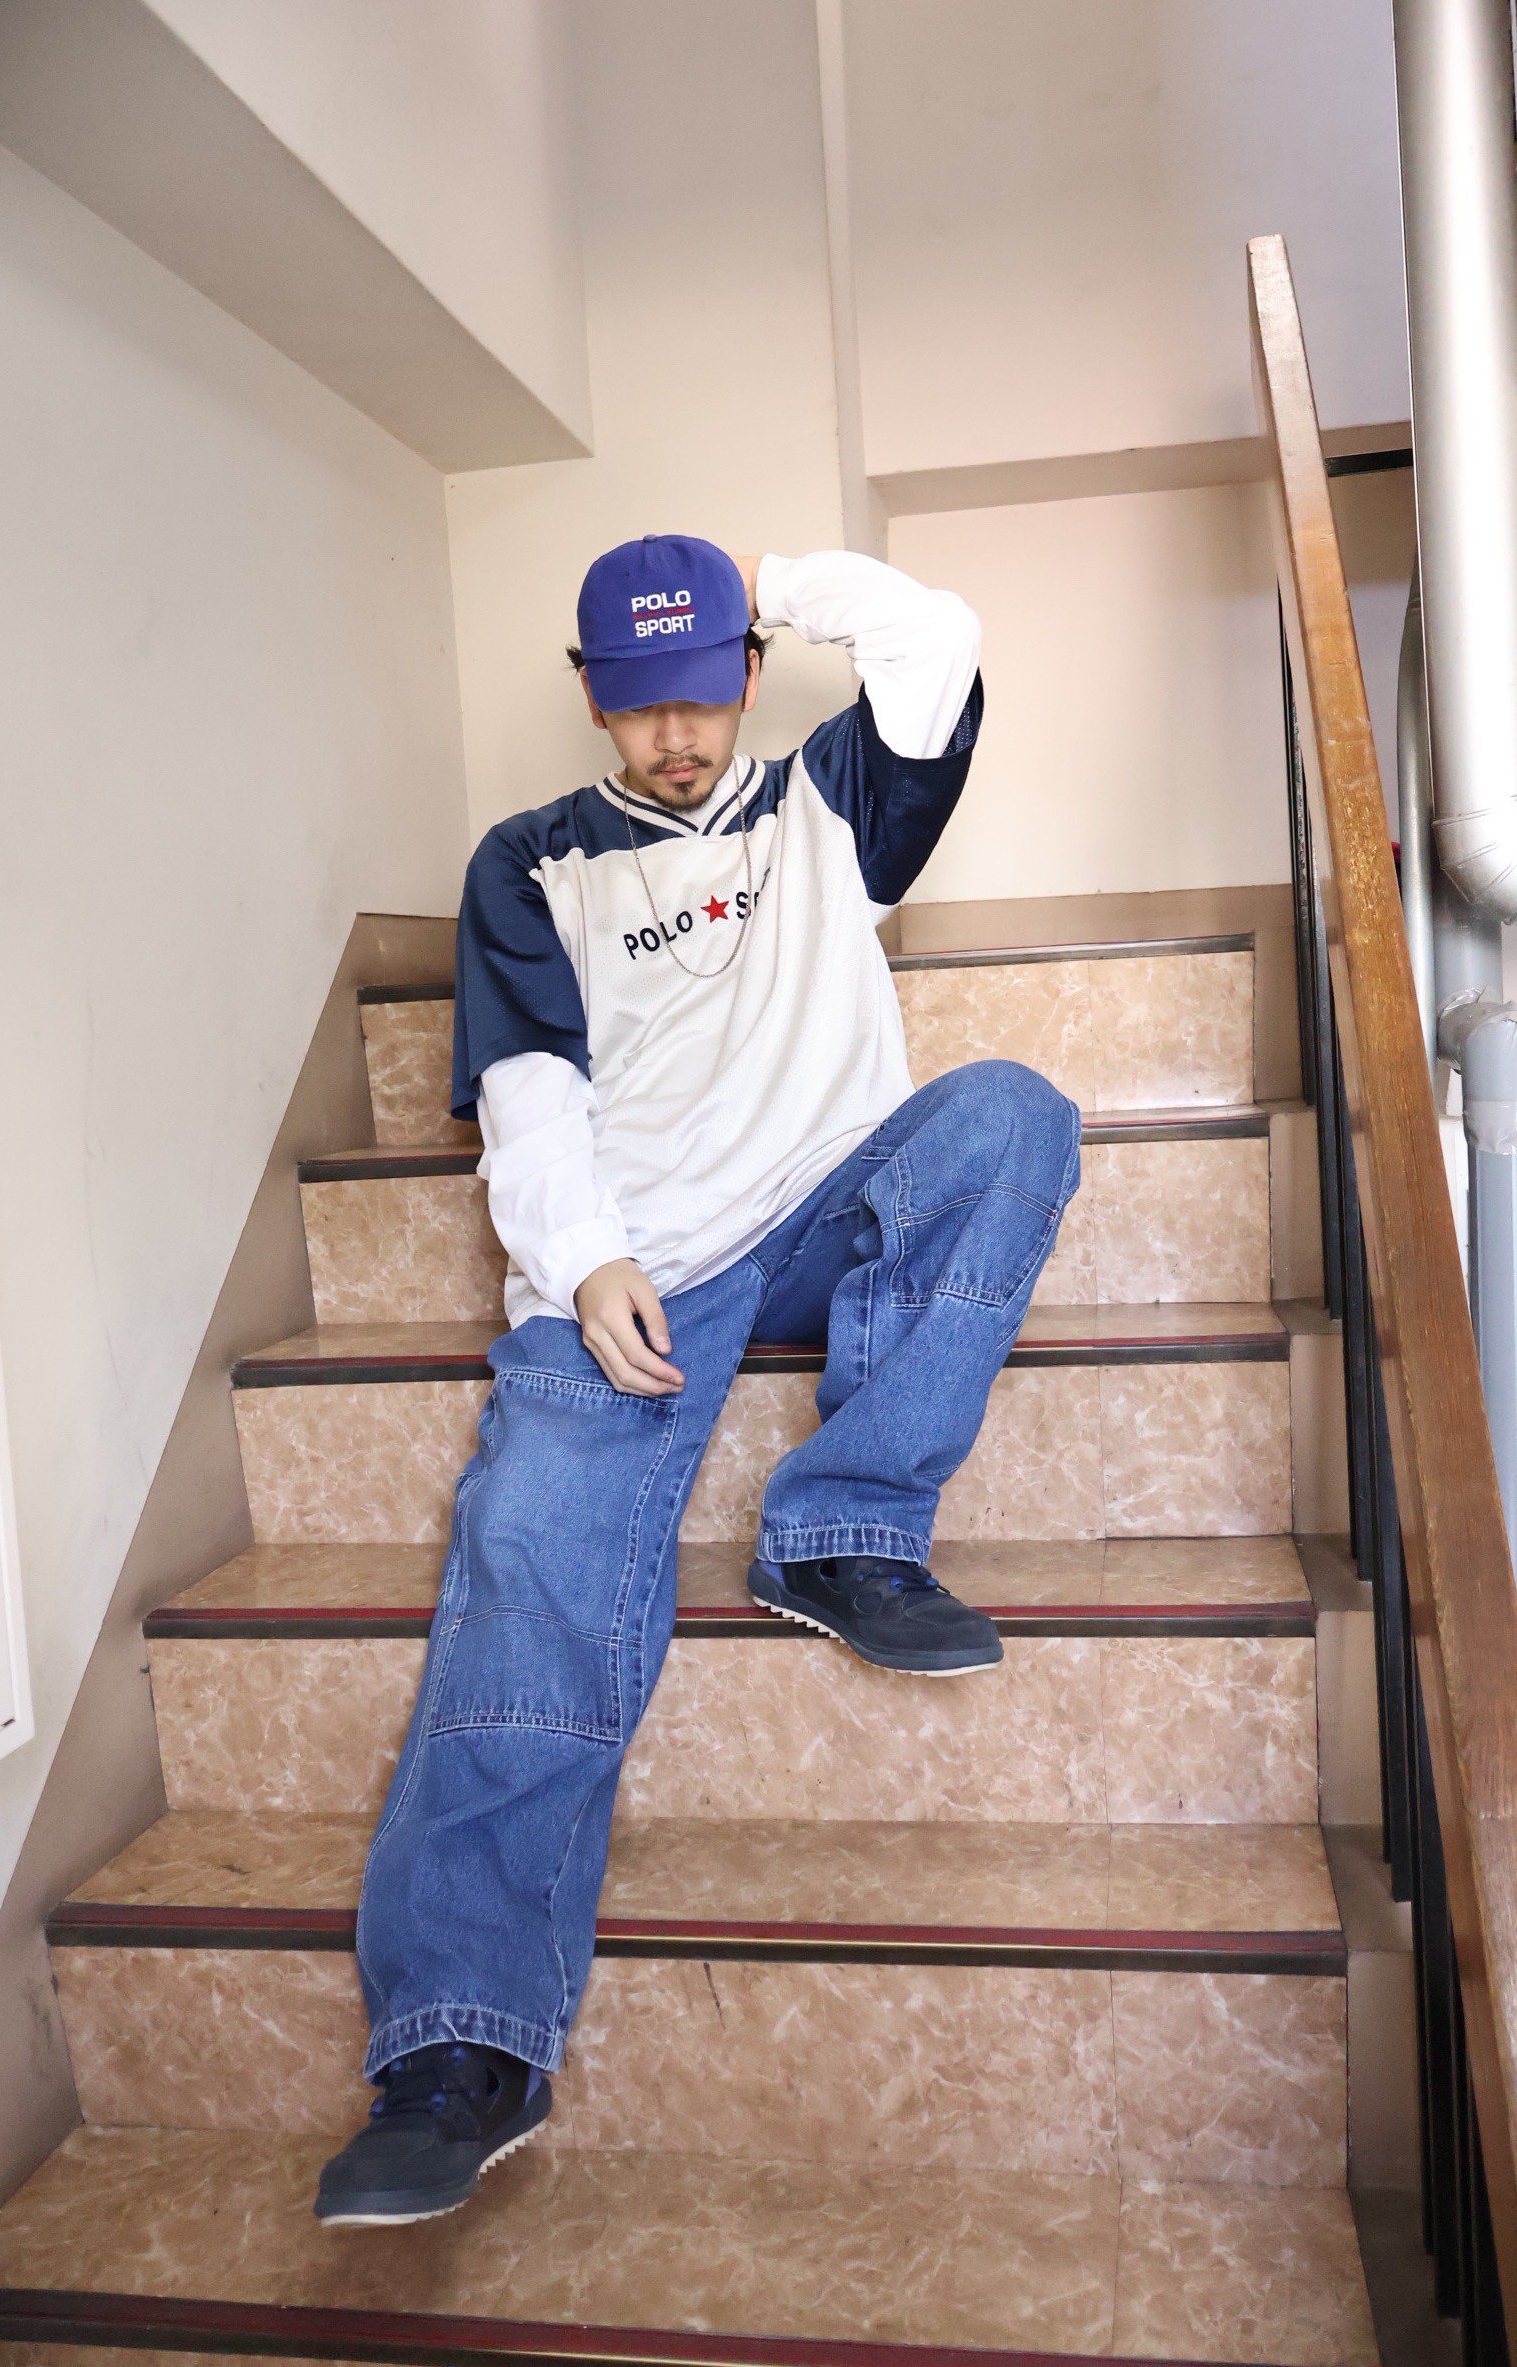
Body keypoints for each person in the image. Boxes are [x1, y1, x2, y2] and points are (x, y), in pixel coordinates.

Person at [314, 538, 1082, 2228]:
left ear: (744, 668)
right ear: (590, 696)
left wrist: (777, 580)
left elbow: (939, 636)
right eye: (635, 702)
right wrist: (588, 1263)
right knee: (532, 1553)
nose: (673, 734)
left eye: (699, 691)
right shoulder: (531, 862)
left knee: (1013, 1116)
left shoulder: (831, 806)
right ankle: (460, 2047)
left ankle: (844, 1531)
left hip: (821, 1205)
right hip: (636, 1265)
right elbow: (529, 1098)